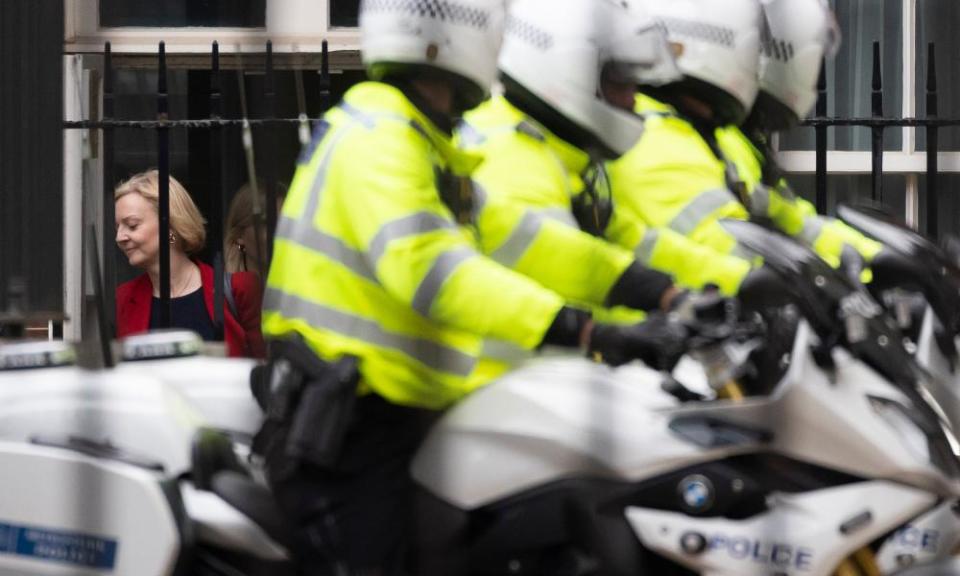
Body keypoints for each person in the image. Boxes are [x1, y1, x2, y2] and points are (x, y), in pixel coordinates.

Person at [256, 0, 689, 574]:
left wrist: (656, 290)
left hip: (407, 419)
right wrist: (584, 328)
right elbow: (435, 273)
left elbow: (526, 239)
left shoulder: (421, 139)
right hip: (348, 437)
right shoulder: (379, 138)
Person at [459, 0, 758, 299]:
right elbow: (566, 287)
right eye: (619, 82)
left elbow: (639, 243)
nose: (633, 101)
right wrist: (658, 319)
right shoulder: (513, 160)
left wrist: (742, 280)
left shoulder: (562, 155)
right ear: (567, 67)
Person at [606, 0, 881, 272]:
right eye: (753, 45)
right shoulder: (655, 139)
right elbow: (729, 248)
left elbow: (791, 220)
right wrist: (826, 279)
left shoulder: (707, 134)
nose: (759, 60)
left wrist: (872, 258)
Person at [114, 170, 265, 358]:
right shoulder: (124, 298)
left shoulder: (240, 289)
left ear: (170, 226)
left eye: (132, 225)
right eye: (117, 227)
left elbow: (263, 368)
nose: (119, 237)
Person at [224, 181, 286, 275]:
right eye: (268, 224)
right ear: (239, 236)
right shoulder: (221, 288)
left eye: (286, 223)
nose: (280, 232)